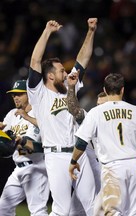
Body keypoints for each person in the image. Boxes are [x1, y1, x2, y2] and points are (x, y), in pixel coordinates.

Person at [27, 19, 97, 216]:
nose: (66, 73)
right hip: (55, 156)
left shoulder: (68, 87)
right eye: (61, 71)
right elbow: (34, 61)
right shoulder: (38, 92)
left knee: (92, 205)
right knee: (61, 210)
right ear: (50, 76)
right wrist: (47, 31)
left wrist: (91, 31)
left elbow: (83, 59)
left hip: (78, 153)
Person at [68, 73, 136, 215]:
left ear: (105, 90)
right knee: (133, 213)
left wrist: (73, 161)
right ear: (122, 90)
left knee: (112, 213)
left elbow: (81, 142)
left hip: (112, 169)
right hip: (135, 167)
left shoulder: (96, 112)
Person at [0, 80, 49, 216]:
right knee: (3, 208)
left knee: (38, 210)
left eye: (20, 94)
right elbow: (5, 138)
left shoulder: (37, 115)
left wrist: (19, 141)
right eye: (13, 94)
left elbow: (38, 146)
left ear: (30, 94)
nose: (15, 97)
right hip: (18, 169)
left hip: (36, 167)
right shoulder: (12, 114)